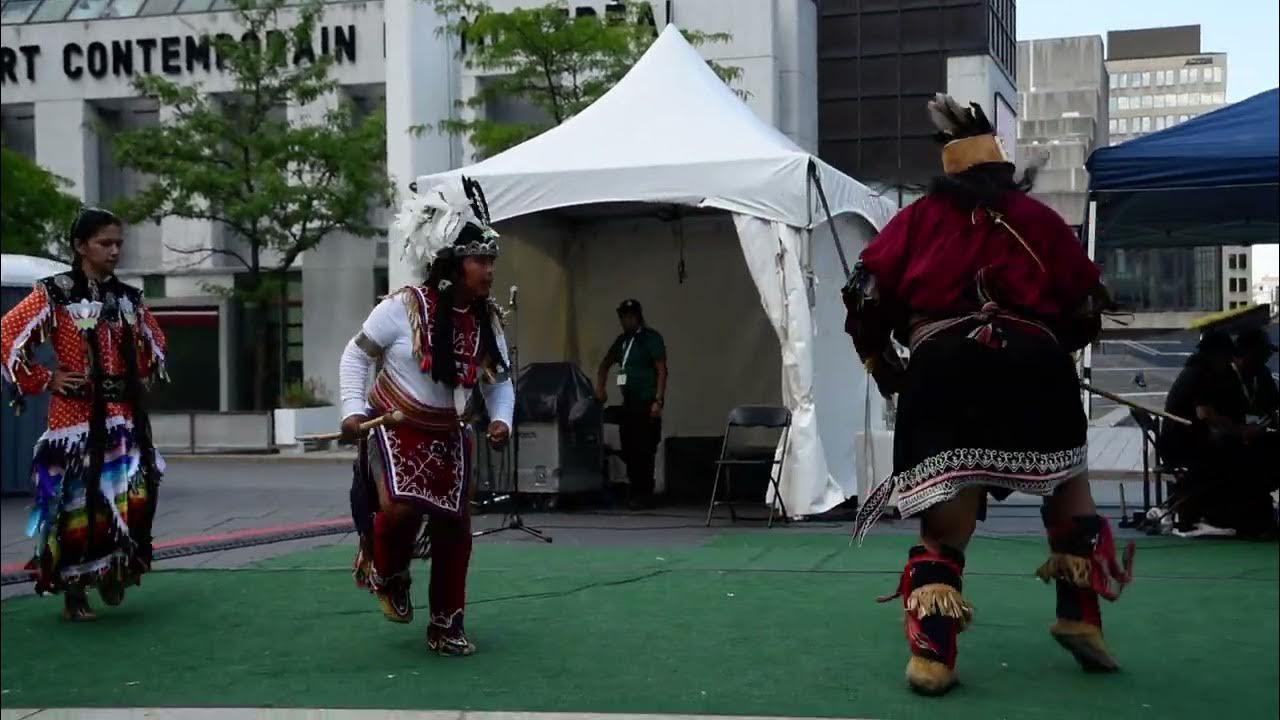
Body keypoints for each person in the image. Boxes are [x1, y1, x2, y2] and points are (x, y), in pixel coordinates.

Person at [842, 95, 1133, 695]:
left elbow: (866, 293)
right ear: (1004, 172)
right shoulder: (1039, 220)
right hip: (1034, 363)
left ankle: (934, 657)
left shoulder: (916, 220)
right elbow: (1086, 301)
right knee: (1067, 486)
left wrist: (884, 363)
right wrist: (1053, 346)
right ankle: (1080, 616)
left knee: (944, 528)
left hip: (944, 366)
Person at [339, 176, 513, 656]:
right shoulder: (403, 307)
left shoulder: (486, 320)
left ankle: (446, 625)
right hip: (396, 425)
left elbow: (499, 381)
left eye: (492, 260)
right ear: (453, 265)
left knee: (455, 528)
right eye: (480, 260)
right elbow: (356, 355)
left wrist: (501, 420)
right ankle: (389, 572)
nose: (489, 270)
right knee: (401, 509)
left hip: (451, 433)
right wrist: (352, 409)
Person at [0, 207, 168, 620]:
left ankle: (114, 569)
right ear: (80, 246)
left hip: (123, 417)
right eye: (104, 243)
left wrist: (136, 373)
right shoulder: (55, 293)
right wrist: (45, 378)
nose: (114, 251)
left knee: (130, 496)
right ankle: (74, 592)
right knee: (77, 504)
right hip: (74, 420)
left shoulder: (128, 298)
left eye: (118, 244)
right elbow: (6, 335)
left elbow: (156, 343)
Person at [1162, 329, 1278, 536]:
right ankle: (1243, 513)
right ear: (1217, 354)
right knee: (1246, 457)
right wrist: (1242, 431)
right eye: (1226, 356)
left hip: (1192, 441)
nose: (1229, 361)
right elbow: (1206, 415)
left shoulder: (1199, 371)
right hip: (1186, 444)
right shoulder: (1202, 374)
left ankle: (1250, 511)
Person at [595, 299, 667, 508]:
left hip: (647, 401)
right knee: (629, 446)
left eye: (629, 317)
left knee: (645, 448)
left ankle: (645, 492)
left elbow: (661, 370)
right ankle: (634, 489)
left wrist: (658, 400)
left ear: (637, 317)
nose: (625, 321)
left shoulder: (650, 338)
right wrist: (601, 387)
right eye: (622, 318)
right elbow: (605, 364)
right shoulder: (622, 341)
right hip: (629, 401)